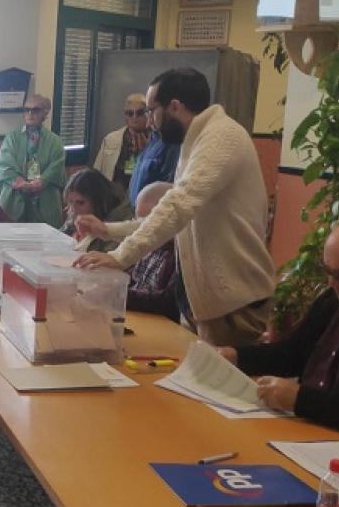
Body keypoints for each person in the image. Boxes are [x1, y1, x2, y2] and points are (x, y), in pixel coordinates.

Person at [76, 68, 275, 347]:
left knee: (218, 387)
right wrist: (108, 230)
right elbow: (172, 217)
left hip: (233, 303)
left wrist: (121, 257)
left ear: (174, 107)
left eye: (150, 110)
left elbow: (178, 204)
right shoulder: (195, 140)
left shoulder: (222, 137)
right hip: (202, 299)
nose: (148, 121)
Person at [218, 215, 339, 453]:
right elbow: (293, 353)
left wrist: (301, 400)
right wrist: (236, 356)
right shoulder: (335, 299)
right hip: (307, 432)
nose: (332, 284)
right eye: (328, 271)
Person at [0, 94, 67, 227]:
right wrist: (20, 183)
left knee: (44, 241)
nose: (30, 113)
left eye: (35, 110)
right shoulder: (11, 138)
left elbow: (57, 167)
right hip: (14, 198)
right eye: (27, 110)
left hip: (45, 199)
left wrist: (41, 182)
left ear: (45, 113)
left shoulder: (55, 141)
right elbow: (4, 166)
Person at [125, 182, 180, 323]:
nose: (143, 229)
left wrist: (118, 294)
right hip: (136, 317)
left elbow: (168, 303)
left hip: (160, 325)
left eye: (148, 222)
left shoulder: (180, 256)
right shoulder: (145, 246)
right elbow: (129, 277)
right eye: (138, 221)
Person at [61, 168, 133, 253]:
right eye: (70, 202)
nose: (73, 210)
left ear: (98, 202)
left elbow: (107, 258)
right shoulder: (74, 215)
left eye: (80, 203)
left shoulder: (116, 227)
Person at [93, 93, 151, 194]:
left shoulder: (157, 140)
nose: (134, 117)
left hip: (142, 195)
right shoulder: (111, 139)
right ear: (125, 116)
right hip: (113, 195)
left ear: (148, 114)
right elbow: (97, 171)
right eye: (130, 113)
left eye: (140, 112)